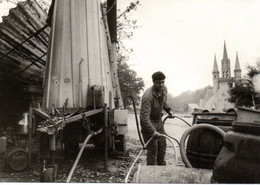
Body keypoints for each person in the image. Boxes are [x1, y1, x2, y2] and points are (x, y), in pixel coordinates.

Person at [140, 71, 174, 165]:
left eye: (163, 82)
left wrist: (169, 110)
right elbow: (144, 118)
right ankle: (151, 174)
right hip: (148, 124)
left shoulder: (164, 89)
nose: (161, 85)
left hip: (158, 122)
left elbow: (163, 102)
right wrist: (152, 131)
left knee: (162, 147)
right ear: (153, 82)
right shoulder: (147, 97)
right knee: (153, 150)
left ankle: (161, 172)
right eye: (158, 83)